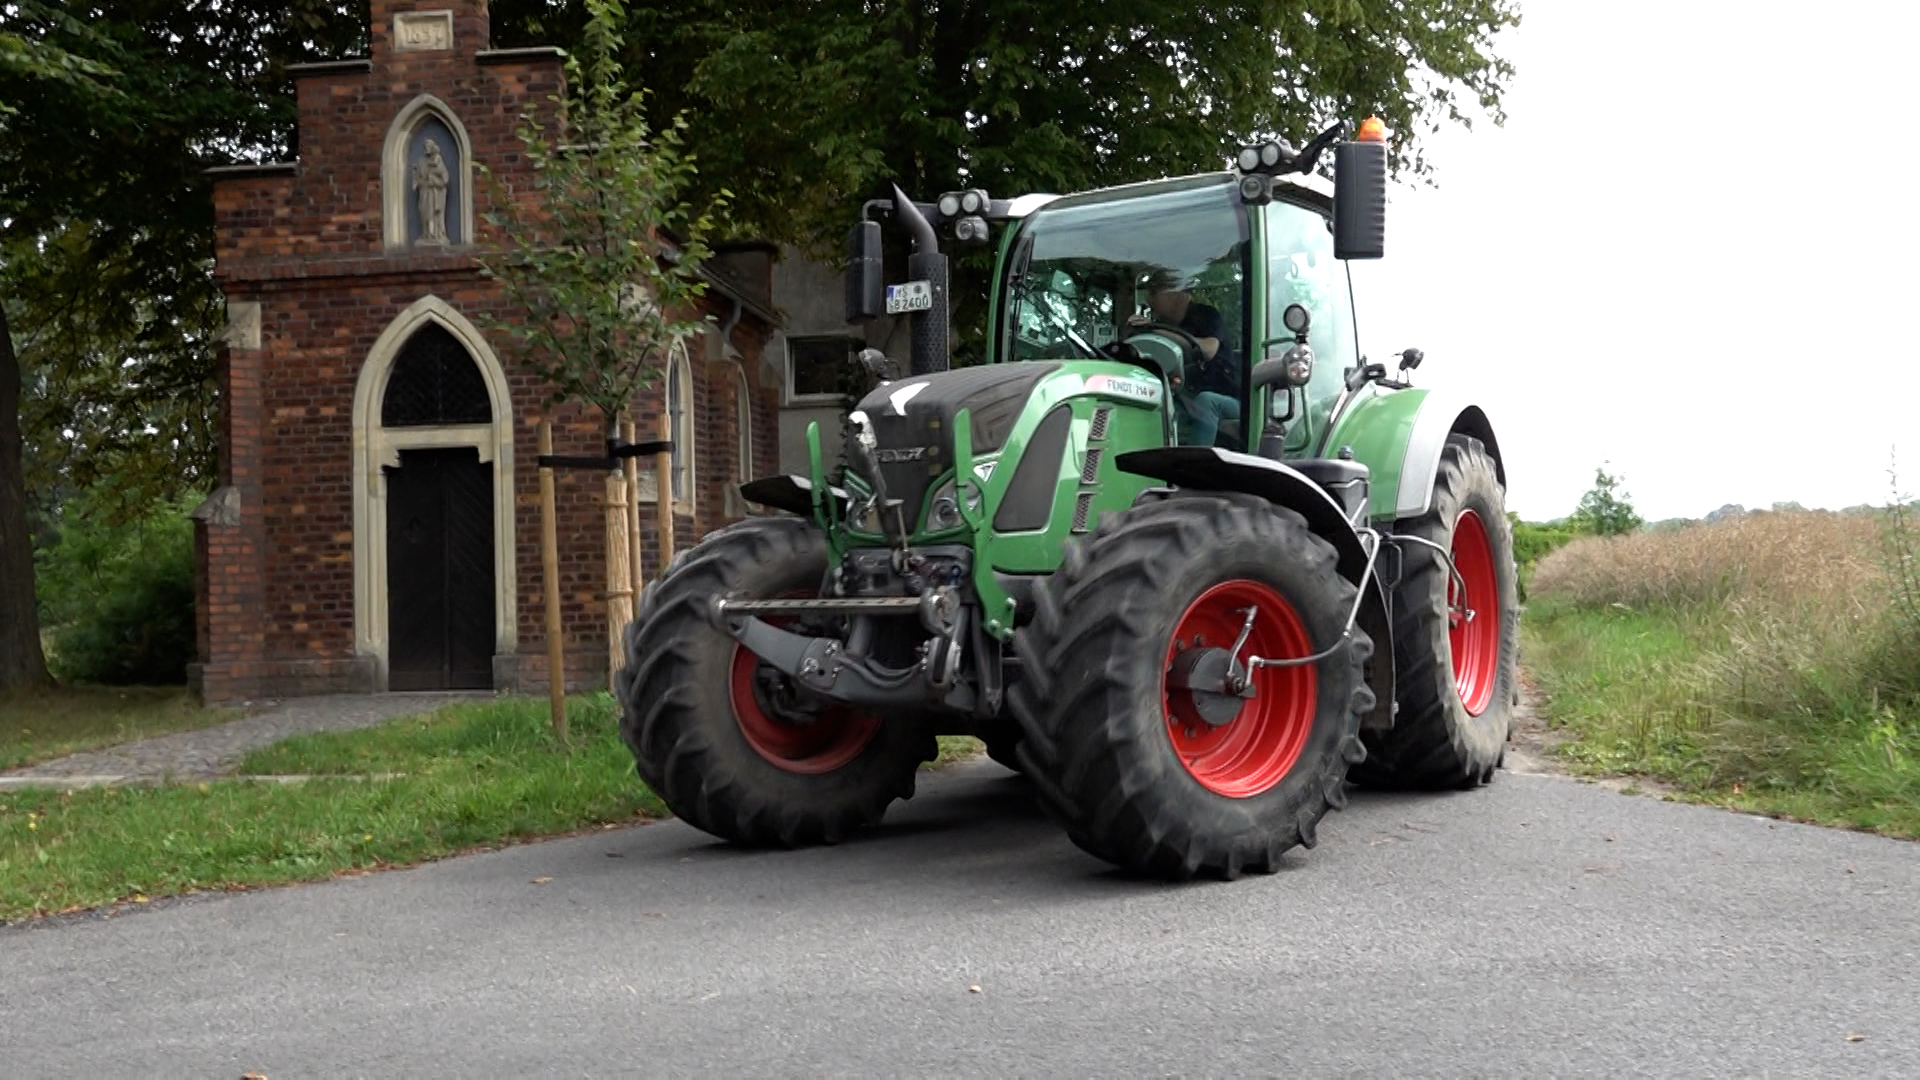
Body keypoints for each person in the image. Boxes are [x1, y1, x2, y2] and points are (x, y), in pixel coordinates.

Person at [1134, 269, 1240, 447]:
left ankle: (1194, 467)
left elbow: (1209, 349)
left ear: (1177, 292)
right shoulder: (1159, 323)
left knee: (1206, 401)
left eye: (1154, 292)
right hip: (1185, 399)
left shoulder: (1206, 315)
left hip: (1230, 401)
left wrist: (1159, 332)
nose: (1148, 300)